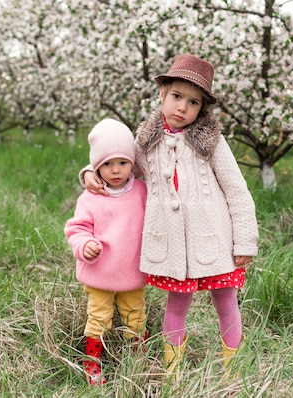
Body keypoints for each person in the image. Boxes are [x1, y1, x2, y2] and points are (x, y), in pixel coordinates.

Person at [81, 54, 259, 380]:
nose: (182, 107)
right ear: (162, 94)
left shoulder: (212, 143)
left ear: (201, 108)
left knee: (226, 301)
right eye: (177, 96)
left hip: (215, 242)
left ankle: (235, 372)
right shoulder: (145, 144)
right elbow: (116, 165)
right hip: (174, 249)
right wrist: (89, 172)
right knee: (176, 306)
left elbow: (237, 189)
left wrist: (245, 238)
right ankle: (173, 373)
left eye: (193, 102)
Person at [64, 118, 148, 386]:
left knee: (135, 314)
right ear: (96, 166)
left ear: (132, 163)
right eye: (107, 164)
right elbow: (77, 228)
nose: (115, 170)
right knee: (99, 317)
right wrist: (83, 245)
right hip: (100, 272)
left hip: (132, 271)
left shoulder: (141, 191)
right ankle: (93, 363)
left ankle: (137, 357)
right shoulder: (91, 197)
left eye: (122, 163)